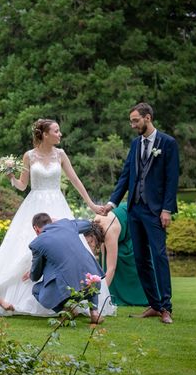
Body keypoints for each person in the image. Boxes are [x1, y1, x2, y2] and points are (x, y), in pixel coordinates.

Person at [0, 119, 116, 318]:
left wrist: (90, 204)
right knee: (26, 248)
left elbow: (75, 180)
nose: (60, 134)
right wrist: (11, 176)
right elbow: (22, 185)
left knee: (68, 246)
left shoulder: (60, 155)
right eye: (56, 131)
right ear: (45, 134)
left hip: (57, 204)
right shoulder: (29, 156)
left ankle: (72, 297)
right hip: (34, 204)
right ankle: (24, 297)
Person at [102, 102, 179, 324]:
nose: (132, 124)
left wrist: (166, 209)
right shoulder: (136, 144)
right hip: (134, 209)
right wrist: (112, 203)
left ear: (147, 118)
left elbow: (172, 180)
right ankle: (154, 304)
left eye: (135, 120)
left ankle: (166, 307)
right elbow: (126, 176)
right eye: (131, 121)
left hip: (155, 211)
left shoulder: (168, 143)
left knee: (159, 256)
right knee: (140, 258)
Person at [27, 213, 105, 324]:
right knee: (87, 275)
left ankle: (67, 310)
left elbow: (35, 276)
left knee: (36, 290)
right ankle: (95, 313)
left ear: (35, 228)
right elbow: (88, 224)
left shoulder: (37, 243)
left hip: (69, 291)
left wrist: (31, 272)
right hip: (93, 280)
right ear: (51, 221)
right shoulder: (66, 224)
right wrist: (62, 221)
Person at [88, 203, 148, 306]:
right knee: (105, 258)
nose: (90, 246)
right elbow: (101, 261)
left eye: (91, 243)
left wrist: (99, 295)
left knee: (123, 257)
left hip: (133, 219)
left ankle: (139, 296)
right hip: (118, 223)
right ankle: (109, 293)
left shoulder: (109, 231)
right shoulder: (92, 227)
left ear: (96, 237)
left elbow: (111, 268)